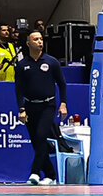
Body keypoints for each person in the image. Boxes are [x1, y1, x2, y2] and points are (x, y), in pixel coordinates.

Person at [14, 30, 67, 186]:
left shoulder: (51, 62)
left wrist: (63, 103)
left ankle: (35, 172)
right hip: (30, 105)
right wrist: (21, 109)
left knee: (41, 135)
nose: (39, 42)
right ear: (28, 43)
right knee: (36, 142)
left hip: (48, 105)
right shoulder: (22, 65)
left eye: (41, 39)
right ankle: (51, 175)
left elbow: (62, 84)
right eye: (35, 39)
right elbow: (18, 89)